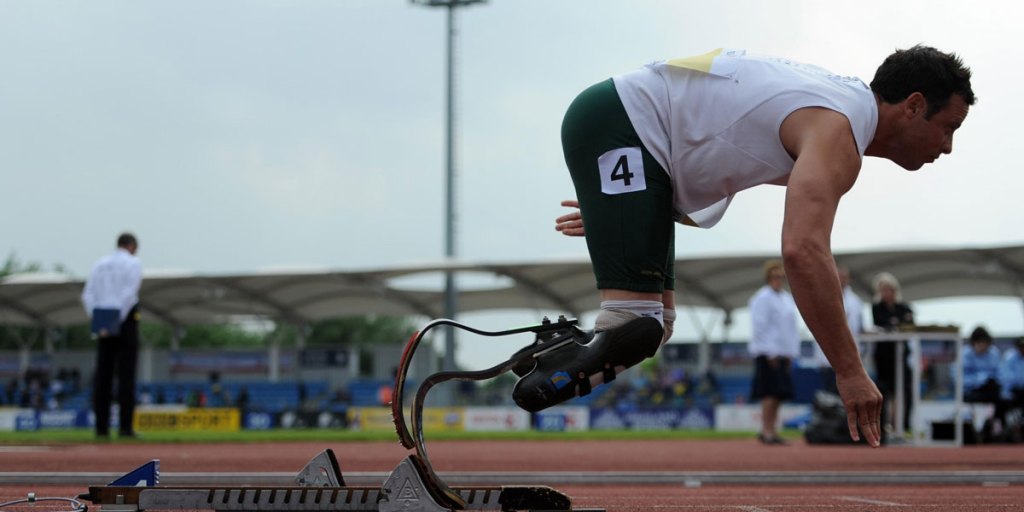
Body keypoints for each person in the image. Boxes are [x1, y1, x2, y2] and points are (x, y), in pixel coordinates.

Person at [528, 45, 974, 448]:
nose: (949, 147)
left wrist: (624, 212)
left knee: (653, 328)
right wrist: (850, 371)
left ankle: (545, 356)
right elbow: (802, 251)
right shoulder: (839, 128)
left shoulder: (839, 107)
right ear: (914, 105)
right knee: (633, 325)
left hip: (641, 143)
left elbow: (715, 129)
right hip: (623, 124)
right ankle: (534, 370)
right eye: (949, 127)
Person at [81, 232, 142, 439]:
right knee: (126, 375)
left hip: (103, 319)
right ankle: (125, 428)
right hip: (124, 321)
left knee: (103, 376)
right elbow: (129, 294)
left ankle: (101, 428)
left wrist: (99, 320)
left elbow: (87, 295)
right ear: (132, 246)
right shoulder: (133, 263)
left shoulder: (99, 264)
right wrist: (117, 319)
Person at [747, 260, 800, 445]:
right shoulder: (762, 298)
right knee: (769, 393)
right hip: (768, 353)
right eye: (775, 277)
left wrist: (791, 352)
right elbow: (760, 327)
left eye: (781, 277)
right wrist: (770, 352)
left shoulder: (786, 298)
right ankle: (766, 430)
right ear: (768, 278)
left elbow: (791, 328)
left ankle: (772, 430)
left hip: (784, 353)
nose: (778, 280)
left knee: (779, 394)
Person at [870, 272, 915, 436]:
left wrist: (895, 323)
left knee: (903, 390)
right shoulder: (876, 307)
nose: (886, 293)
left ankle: (900, 426)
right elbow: (882, 324)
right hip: (884, 357)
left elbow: (909, 324)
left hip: (900, 355)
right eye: (883, 290)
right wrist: (896, 323)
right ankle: (883, 427)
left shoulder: (904, 306)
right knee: (883, 391)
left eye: (889, 289)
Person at [812, 266, 865, 394]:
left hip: (851, 356)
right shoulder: (823, 296)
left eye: (845, 277)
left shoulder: (856, 301)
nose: (842, 280)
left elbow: (861, 327)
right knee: (830, 393)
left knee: (850, 393)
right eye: (839, 276)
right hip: (829, 356)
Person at [956, 326, 1002, 404]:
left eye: (985, 343)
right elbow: (959, 380)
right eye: (979, 343)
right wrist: (980, 379)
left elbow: (1001, 375)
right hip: (970, 392)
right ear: (973, 343)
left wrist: (990, 380)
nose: (982, 347)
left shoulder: (994, 353)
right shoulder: (964, 355)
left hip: (991, 392)